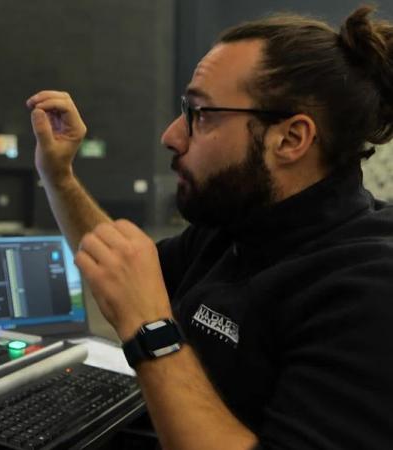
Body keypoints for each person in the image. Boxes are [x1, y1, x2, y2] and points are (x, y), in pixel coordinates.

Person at [26, 5, 393, 450]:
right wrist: (59, 177)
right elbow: (121, 270)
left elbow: (143, 308)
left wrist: (152, 331)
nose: (171, 135)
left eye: (201, 113)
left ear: (291, 139)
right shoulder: (237, 223)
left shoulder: (368, 289)